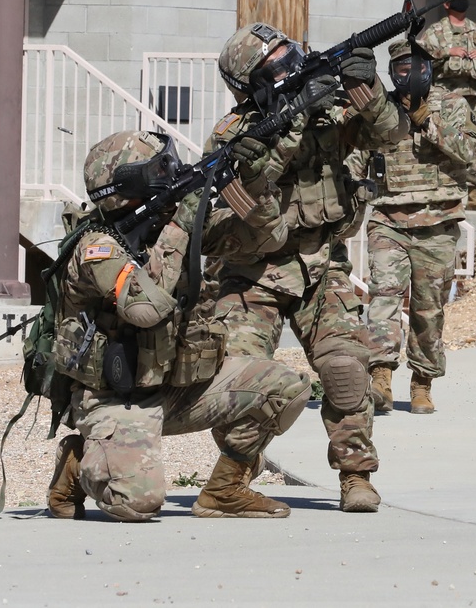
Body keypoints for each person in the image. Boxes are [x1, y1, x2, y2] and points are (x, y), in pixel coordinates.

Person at [46, 129, 312, 522]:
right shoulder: (96, 247)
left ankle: (226, 490)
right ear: (131, 186)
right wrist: (181, 225)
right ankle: (78, 458)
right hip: (116, 399)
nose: (170, 171)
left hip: (181, 387)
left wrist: (256, 181)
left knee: (286, 389)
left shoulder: (170, 224)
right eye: (158, 168)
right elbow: (145, 308)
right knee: (136, 503)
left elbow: (266, 238)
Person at [204, 22, 409, 513]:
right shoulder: (234, 134)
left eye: (289, 53)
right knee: (241, 381)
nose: (290, 66)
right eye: (275, 65)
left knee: (345, 369)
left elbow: (390, 132)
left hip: (322, 266)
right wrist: (293, 119)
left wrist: (367, 87)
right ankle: (228, 484)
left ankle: (356, 477)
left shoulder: (330, 109)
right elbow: (244, 187)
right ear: (252, 84)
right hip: (253, 273)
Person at [364, 38, 476, 415]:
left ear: (427, 70)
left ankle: (422, 382)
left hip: (438, 220)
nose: (408, 75)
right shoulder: (380, 109)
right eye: (400, 69)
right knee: (383, 296)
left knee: (428, 309)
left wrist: (427, 122)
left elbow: (468, 154)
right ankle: (380, 378)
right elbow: (357, 154)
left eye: (414, 68)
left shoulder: (451, 105)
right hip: (388, 219)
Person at [417, 0, 476, 213]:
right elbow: (419, 56)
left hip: (474, 96)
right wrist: (447, 51)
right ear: (446, 4)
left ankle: (474, 193)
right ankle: (443, 192)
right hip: (445, 98)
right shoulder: (435, 32)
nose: (462, 2)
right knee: (444, 140)